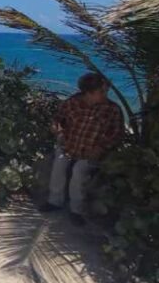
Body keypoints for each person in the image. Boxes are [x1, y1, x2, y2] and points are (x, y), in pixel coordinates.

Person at [40, 73, 125, 225]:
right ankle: (55, 201)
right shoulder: (73, 102)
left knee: (79, 172)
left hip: (91, 152)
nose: (105, 95)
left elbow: (117, 134)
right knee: (59, 164)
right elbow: (58, 118)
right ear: (89, 93)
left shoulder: (112, 109)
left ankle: (76, 210)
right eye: (102, 92)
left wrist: (101, 148)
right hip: (69, 146)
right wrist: (58, 130)